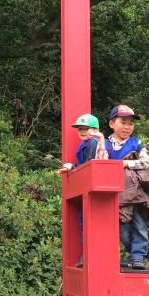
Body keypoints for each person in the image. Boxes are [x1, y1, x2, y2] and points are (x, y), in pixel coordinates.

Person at [105, 104, 149, 270]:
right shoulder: (106, 144)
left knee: (139, 223)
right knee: (122, 226)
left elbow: (145, 162)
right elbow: (101, 162)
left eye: (130, 123)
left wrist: (124, 163)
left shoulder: (137, 143)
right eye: (123, 122)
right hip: (117, 192)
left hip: (136, 191)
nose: (127, 127)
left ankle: (138, 255)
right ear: (112, 124)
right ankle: (132, 254)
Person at [58, 113, 108, 267]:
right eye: (80, 129)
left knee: (88, 223)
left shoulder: (94, 143)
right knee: (83, 222)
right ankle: (87, 256)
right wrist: (72, 167)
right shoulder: (85, 144)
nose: (82, 131)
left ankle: (90, 256)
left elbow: (91, 164)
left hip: (92, 188)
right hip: (85, 188)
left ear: (95, 130)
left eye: (86, 128)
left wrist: (73, 167)